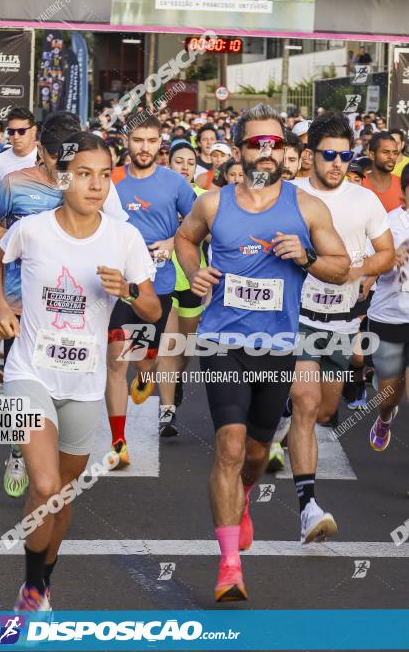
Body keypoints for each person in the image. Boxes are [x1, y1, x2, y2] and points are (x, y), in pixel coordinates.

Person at [174, 104, 350, 602]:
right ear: (240, 149)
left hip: (276, 349)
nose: (266, 153)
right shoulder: (213, 204)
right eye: (256, 144)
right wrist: (197, 270)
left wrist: (308, 257)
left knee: (254, 455)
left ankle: (245, 495)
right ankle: (230, 565)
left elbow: (341, 268)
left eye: (275, 145)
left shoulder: (307, 208)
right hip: (222, 341)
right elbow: (186, 239)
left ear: (286, 153)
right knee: (229, 447)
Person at [0, 133, 161, 612]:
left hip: (84, 383)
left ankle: (41, 584)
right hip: (30, 372)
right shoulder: (35, 229)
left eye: (105, 175)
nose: (97, 185)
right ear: (65, 177)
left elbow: (152, 307)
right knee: (42, 484)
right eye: (85, 174)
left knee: (58, 497)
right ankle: (31, 588)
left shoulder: (125, 238)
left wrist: (125, 289)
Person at [286, 113, 393, 544]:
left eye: (344, 155)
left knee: (326, 411)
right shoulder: (290, 195)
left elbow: (385, 252)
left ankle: (292, 440)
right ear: (310, 154)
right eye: (329, 155)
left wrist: (359, 271)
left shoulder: (364, 201)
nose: (336, 163)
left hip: (343, 322)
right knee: (306, 404)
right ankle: (308, 508)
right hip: (296, 318)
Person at [107, 115, 196, 467]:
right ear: (126, 141)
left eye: (151, 140)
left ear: (161, 143)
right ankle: (117, 442)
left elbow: (196, 224)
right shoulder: (111, 181)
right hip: (116, 284)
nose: (144, 147)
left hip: (157, 283)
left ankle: (146, 374)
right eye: (137, 140)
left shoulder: (174, 183)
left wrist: (173, 241)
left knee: (146, 356)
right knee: (116, 359)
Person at [157, 139, 206, 436]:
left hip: (192, 280)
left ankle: (175, 382)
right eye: (179, 161)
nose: (185, 166)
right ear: (169, 163)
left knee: (184, 350)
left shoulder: (204, 199)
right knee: (168, 346)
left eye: (190, 162)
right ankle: (167, 411)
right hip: (162, 279)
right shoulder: (159, 193)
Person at [367, 163, 409, 450]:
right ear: (404, 193)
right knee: (389, 393)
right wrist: (389, 259)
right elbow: (367, 266)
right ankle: (384, 418)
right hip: (389, 317)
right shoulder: (389, 223)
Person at [0, 108, 38, 182]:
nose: (16, 136)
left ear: (33, 130)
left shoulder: (47, 158)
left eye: (21, 131)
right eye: (11, 131)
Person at [365, 132, 403, 212]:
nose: (391, 157)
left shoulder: (403, 185)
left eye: (395, 153)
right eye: (385, 152)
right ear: (372, 155)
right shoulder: (358, 184)